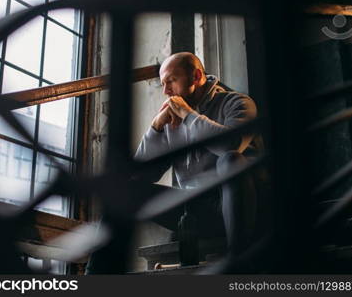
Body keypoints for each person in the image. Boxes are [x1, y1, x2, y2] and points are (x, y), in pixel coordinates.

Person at [85, 52, 260, 274]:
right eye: (162, 84)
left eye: (171, 81)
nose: (166, 91)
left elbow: (231, 145)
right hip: (192, 212)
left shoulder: (237, 103)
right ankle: (96, 275)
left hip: (236, 208)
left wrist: (188, 115)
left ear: (196, 76)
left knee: (230, 159)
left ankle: (239, 261)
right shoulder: (170, 119)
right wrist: (156, 127)